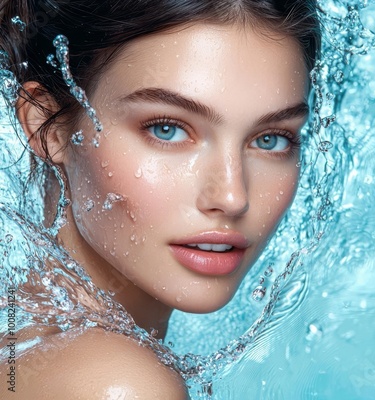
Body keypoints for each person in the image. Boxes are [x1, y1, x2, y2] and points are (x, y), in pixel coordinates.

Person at [0, 0, 320, 398]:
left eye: (271, 139)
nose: (233, 197)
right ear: (47, 127)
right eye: (168, 129)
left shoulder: (27, 343)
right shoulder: (118, 385)